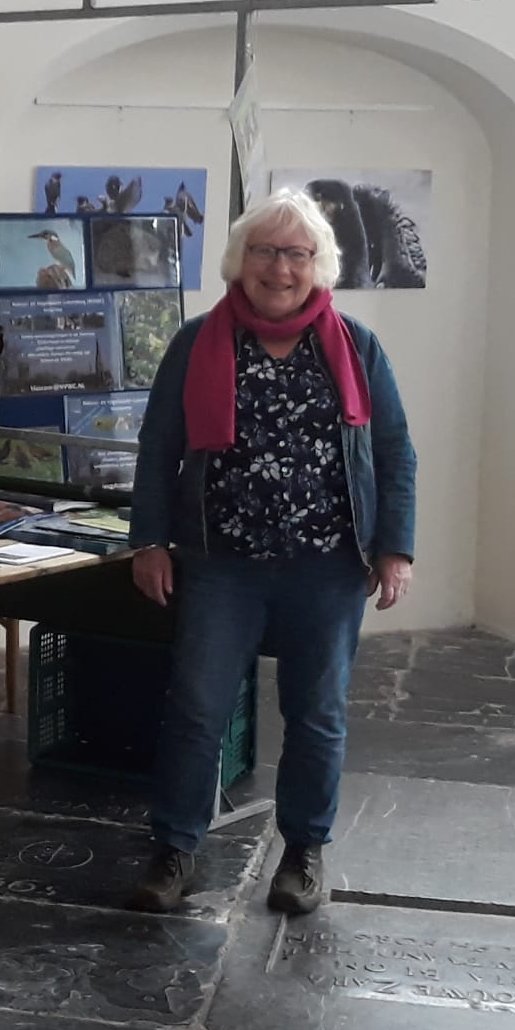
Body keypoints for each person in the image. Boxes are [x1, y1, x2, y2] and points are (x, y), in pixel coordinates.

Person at [125, 187, 416, 918]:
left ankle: (303, 853)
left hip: (327, 565)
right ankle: (176, 849)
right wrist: (149, 541)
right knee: (197, 707)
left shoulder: (356, 346)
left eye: (295, 253)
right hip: (221, 562)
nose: (278, 268)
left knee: (316, 712)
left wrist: (395, 549)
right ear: (239, 260)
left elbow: (393, 453)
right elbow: (158, 447)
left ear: (319, 265)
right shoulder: (198, 341)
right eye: (263, 251)